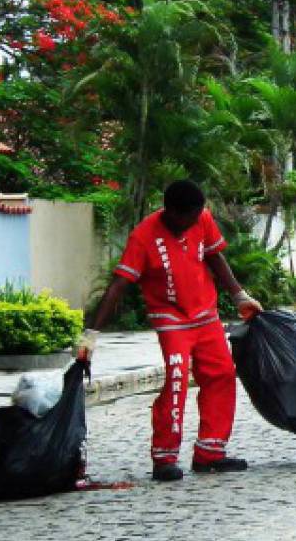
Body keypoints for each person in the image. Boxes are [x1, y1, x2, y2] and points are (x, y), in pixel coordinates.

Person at [77, 180, 262, 482]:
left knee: (223, 374)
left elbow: (215, 256)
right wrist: (91, 335)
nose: (193, 223)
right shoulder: (143, 237)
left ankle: (210, 453)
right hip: (171, 319)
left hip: (206, 315)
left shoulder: (201, 218)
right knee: (176, 379)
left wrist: (239, 295)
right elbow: (118, 286)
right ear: (171, 212)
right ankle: (164, 458)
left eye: (197, 216)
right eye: (188, 218)